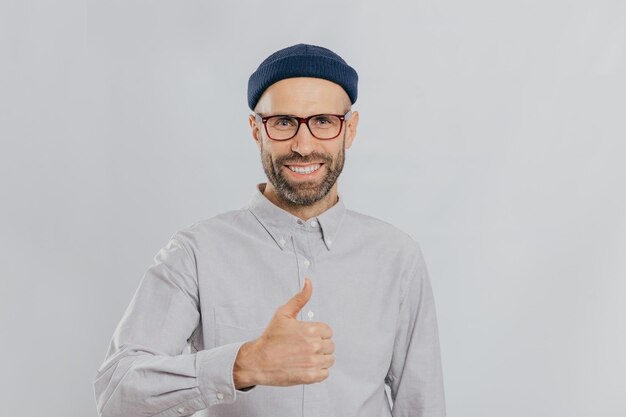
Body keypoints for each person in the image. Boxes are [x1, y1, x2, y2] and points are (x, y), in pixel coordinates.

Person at [93, 43, 446, 417]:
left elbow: (422, 406)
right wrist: (243, 364)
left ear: (350, 130)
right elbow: (116, 395)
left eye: (323, 121)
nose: (304, 145)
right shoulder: (196, 253)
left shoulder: (397, 256)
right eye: (283, 122)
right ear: (256, 130)